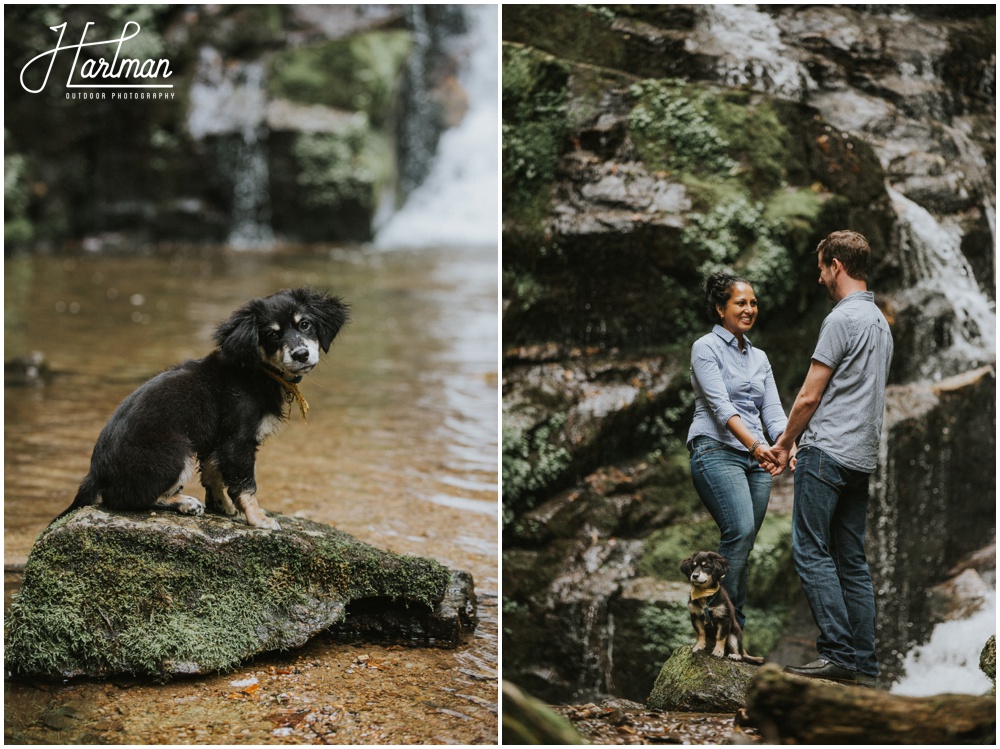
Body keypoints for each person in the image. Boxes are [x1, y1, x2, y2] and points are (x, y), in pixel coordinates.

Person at [771, 230, 893, 689]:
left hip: (827, 453)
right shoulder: (880, 323)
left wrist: (785, 443)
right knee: (852, 561)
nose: (819, 277)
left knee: (810, 550)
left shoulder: (842, 319)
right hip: (861, 458)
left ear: (836, 266)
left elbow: (808, 395)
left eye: (822, 267)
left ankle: (838, 653)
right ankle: (865, 665)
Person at [686, 271, 788, 633]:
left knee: (742, 544)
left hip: (755, 460)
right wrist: (759, 446)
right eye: (740, 303)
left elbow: (773, 411)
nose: (749, 309)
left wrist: (787, 444)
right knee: (740, 529)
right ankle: (718, 625)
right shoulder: (705, 348)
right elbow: (720, 406)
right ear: (720, 308)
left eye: (753, 303)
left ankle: (732, 629)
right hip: (715, 450)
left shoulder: (759, 357)